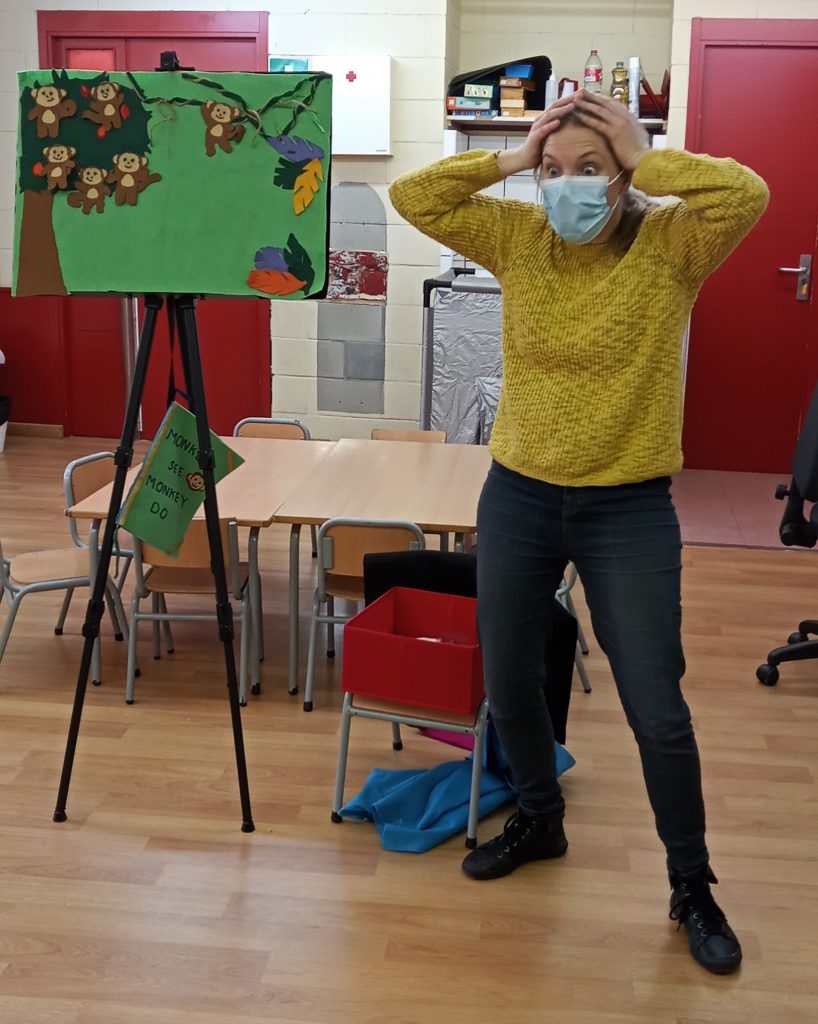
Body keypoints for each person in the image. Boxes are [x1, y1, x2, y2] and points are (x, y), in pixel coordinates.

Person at [389, 89, 769, 975]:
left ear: (625, 174)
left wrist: (644, 153)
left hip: (627, 506)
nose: (569, 188)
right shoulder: (521, 237)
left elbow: (745, 195)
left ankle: (691, 882)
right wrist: (517, 156)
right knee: (510, 678)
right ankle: (539, 816)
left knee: (656, 706)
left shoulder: (673, 244)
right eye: (554, 172)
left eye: (590, 169)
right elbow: (416, 197)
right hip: (519, 493)